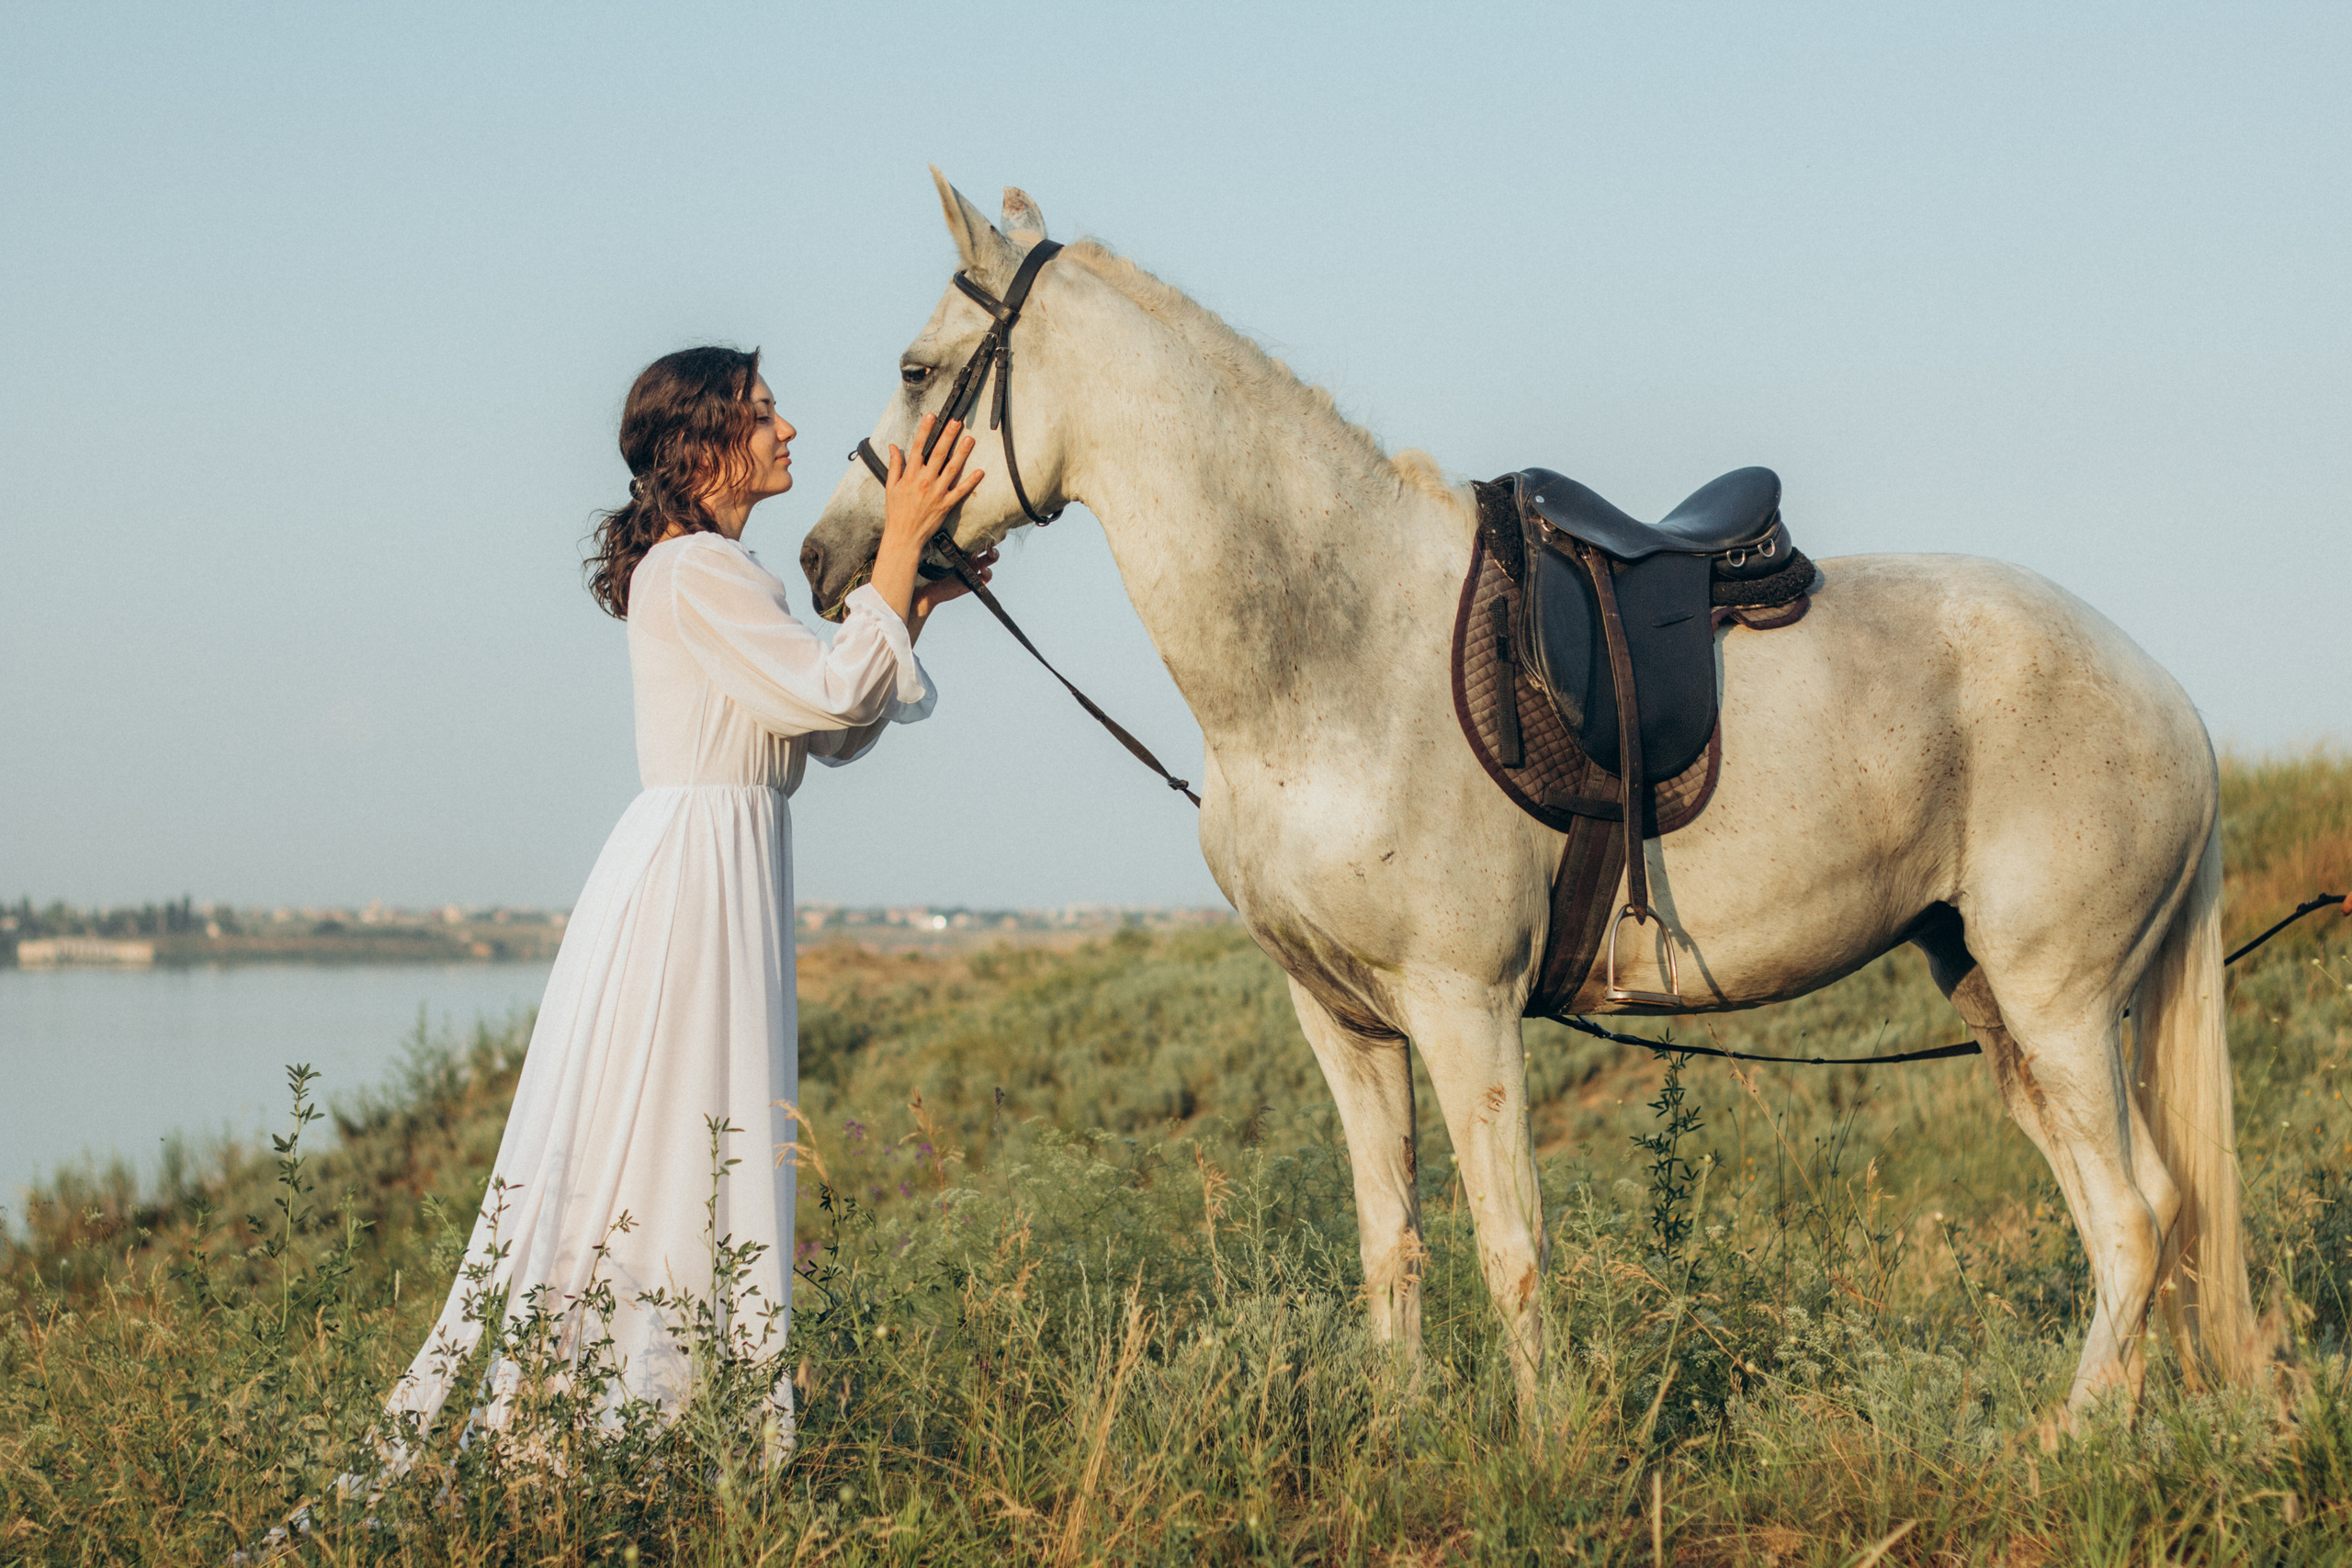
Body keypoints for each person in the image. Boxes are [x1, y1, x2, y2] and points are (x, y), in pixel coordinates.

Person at [379, 346, 993, 1460]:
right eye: (763, 414)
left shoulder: (711, 570)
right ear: (704, 443)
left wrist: (915, 601)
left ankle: (661, 1412)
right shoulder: (696, 569)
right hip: (695, 872)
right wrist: (894, 541)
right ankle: (628, 1422)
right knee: (673, 1127)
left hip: (728, 856)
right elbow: (835, 688)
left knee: (699, 1130)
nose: (789, 431)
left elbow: (834, 728)